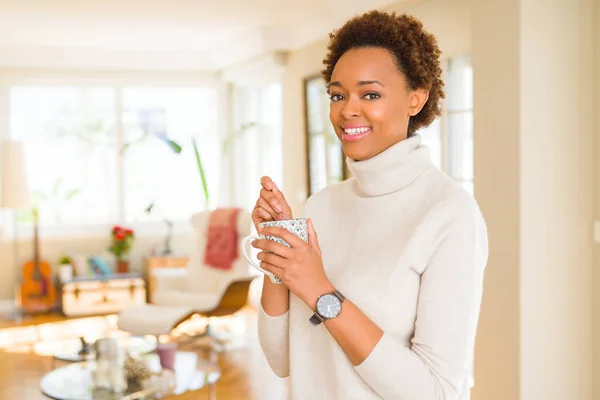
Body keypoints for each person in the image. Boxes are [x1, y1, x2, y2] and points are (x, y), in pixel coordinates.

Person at [251, 10, 488, 400]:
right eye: (337, 95)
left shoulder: (449, 214)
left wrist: (319, 289)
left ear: (417, 98)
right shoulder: (322, 205)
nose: (347, 110)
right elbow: (282, 360)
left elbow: (436, 391)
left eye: (371, 94)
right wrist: (281, 258)